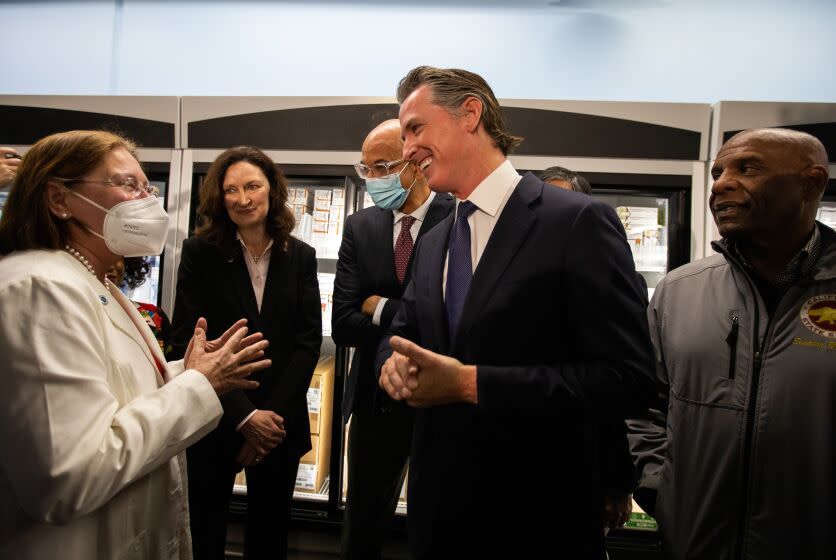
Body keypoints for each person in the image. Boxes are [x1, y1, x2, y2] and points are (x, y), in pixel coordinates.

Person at [376, 66, 655, 559]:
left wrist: (469, 383)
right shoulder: (437, 237)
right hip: (437, 519)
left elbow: (626, 378)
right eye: (403, 136)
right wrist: (391, 367)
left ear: (470, 113)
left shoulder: (575, 222)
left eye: (415, 128)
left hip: (536, 521)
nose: (406, 151)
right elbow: (403, 331)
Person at [0, 130, 270, 560]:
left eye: (147, 187)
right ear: (59, 199)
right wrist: (198, 384)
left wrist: (188, 372)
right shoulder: (41, 288)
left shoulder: (95, 281)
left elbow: (117, 391)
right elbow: (69, 477)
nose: (146, 201)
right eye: (127, 185)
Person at [628, 128, 834, 560]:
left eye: (748, 168)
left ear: (812, 183)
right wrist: (663, 492)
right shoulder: (678, 291)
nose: (721, 183)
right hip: (696, 543)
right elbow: (642, 408)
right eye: (718, 171)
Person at [170, 145, 322, 560]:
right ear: (219, 198)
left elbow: (308, 342)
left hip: (278, 422)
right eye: (231, 189)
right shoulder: (201, 253)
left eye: (252, 186)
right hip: (216, 416)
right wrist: (244, 416)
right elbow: (187, 339)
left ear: (272, 189)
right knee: (204, 530)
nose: (242, 198)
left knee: (269, 535)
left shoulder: (300, 256)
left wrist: (266, 419)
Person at [333, 119, 454, 560]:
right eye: (367, 170)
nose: (374, 180)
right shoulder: (360, 227)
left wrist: (380, 306)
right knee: (362, 525)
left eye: (383, 167)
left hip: (440, 401)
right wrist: (414, 317)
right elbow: (343, 322)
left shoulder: (458, 218)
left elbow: (453, 318)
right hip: (373, 401)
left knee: (436, 522)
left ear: (416, 163)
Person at [107, 256, 173, 357]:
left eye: (116, 256)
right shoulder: (80, 312)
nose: (109, 265)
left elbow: (172, 366)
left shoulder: (154, 316)